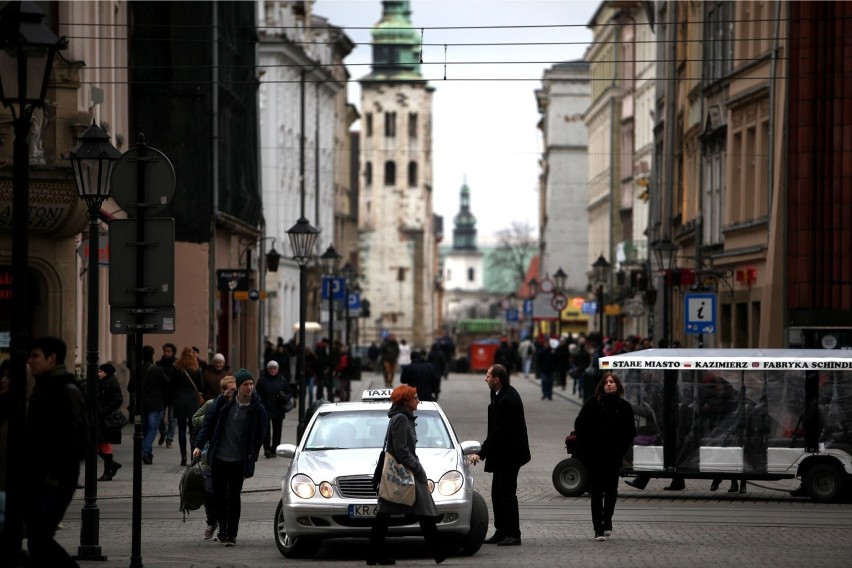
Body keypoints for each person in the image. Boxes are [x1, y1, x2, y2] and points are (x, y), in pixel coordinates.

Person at [23, 336, 89, 566]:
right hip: (40, 477)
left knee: (39, 538)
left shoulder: (65, 389)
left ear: (52, 358)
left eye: (35, 356)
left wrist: (54, 475)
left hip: (55, 479)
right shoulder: (44, 387)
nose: (30, 361)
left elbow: (77, 440)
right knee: (36, 540)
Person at [367, 384, 447, 565]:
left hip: (403, 471)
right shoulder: (401, 419)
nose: (418, 400)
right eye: (415, 398)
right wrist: (419, 470)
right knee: (415, 512)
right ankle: (438, 551)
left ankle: (438, 551)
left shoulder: (402, 417)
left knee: (391, 514)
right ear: (405, 401)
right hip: (404, 472)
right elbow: (402, 450)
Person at [192, 368, 268, 546]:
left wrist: (253, 453)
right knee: (219, 496)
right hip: (219, 457)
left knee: (234, 496)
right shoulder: (223, 402)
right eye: (245, 384)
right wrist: (198, 445)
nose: (249, 387)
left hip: (239, 460)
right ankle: (223, 529)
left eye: (251, 384)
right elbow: (208, 424)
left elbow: (261, 432)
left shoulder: (257, 408)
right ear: (238, 387)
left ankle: (232, 534)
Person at [468, 364, 531, 546]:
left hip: (511, 454)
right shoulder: (498, 393)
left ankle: (513, 533)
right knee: (497, 493)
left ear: (497, 379)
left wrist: (480, 453)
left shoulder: (507, 399)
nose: (485, 378)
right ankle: (501, 531)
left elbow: (498, 432)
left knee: (506, 494)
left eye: (487, 375)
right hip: (503, 453)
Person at [574, 372, 636, 541]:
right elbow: (579, 424)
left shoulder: (624, 406)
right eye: (606, 382)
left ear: (618, 386)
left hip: (614, 455)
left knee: (611, 490)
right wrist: (586, 446)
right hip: (595, 455)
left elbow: (631, 431)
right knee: (596, 491)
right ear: (601, 386)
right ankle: (598, 529)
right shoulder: (593, 403)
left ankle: (607, 519)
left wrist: (622, 449)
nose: (609, 384)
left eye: (612, 382)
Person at [192, 375, 236, 540]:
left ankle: (223, 527)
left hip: (230, 456)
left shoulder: (238, 405)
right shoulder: (212, 404)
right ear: (223, 390)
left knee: (226, 494)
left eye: (235, 389)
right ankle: (212, 521)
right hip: (209, 456)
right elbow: (195, 419)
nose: (234, 392)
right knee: (209, 491)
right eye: (231, 389)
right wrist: (212, 417)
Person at [172, 346, 204, 466]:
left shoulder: (176, 368)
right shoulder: (196, 369)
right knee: (193, 430)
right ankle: (193, 455)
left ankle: (183, 456)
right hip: (192, 401)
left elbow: (171, 385)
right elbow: (201, 386)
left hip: (179, 400)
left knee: (181, 429)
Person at [255, 360, 293, 458]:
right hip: (265, 408)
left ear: (277, 369)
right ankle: (267, 448)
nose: (273, 370)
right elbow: (257, 393)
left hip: (278, 408)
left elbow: (289, 392)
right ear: (267, 369)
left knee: (277, 430)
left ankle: (274, 449)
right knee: (265, 430)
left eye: (274, 368)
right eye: (271, 369)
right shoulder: (262, 380)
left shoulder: (282, 379)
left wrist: (285, 397)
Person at [140, 345, 168, 465]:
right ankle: (145, 451)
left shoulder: (138, 369)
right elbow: (167, 384)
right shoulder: (157, 370)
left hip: (142, 404)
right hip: (155, 403)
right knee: (152, 429)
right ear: (152, 355)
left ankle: (148, 455)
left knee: (145, 429)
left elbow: (130, 387)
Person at [96, 363, 124, 481]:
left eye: (101, 371)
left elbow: (118, 399)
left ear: (107, 373)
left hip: (107, 419)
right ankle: (112, 464)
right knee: (97, 444)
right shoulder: (103, 382)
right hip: (101, 418)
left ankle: (107, 471)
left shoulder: (111, 382)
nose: (98, 373)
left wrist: (104, 411)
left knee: (105, 443)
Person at [156, 342, 177, 448]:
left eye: (169, 351)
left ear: (173, 353)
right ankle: (163, 432)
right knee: (159, 417)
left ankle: (169, 438)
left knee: (172, 419)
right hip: (162, 394)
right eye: (165, 351)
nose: (166, 353)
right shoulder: (158, 364)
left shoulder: (177, 364)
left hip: (173, 395)